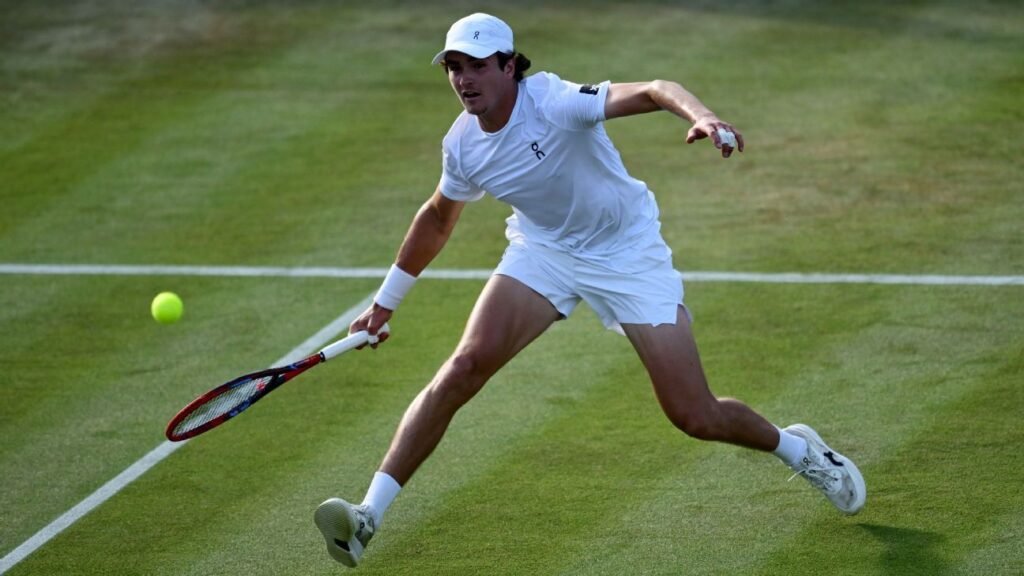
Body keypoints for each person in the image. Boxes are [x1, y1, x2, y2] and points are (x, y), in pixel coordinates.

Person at [314, 12, 866, 568]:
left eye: (477, 66)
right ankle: (367, 516)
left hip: (627, 254)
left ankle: (798, 449)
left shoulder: (554, 101)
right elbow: (437, 219)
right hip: (545, 252)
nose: (464, 79)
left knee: (694, 415)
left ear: (510, 66)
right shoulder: (462, 145)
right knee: (462, 368)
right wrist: (383, 304)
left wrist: (702, 116)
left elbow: (655, 89)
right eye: (454, 67)